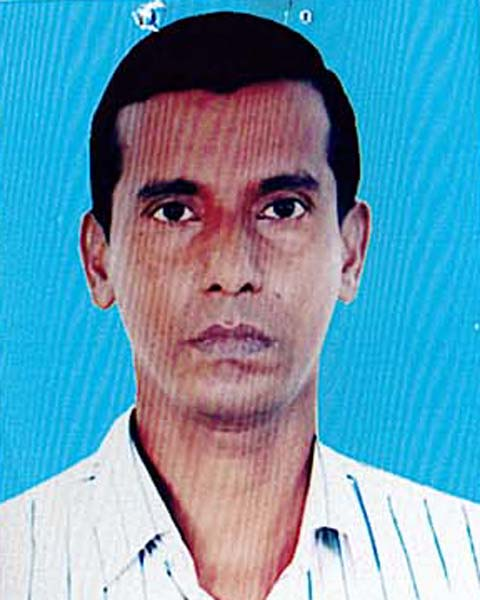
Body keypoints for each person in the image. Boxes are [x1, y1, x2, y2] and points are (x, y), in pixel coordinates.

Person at [1, 11, 479, 600]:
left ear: (351, 252)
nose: (231, 272)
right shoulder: (15, 564)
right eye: (174, 212)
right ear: (100, 262)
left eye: (282, 208)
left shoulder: (464, 561)